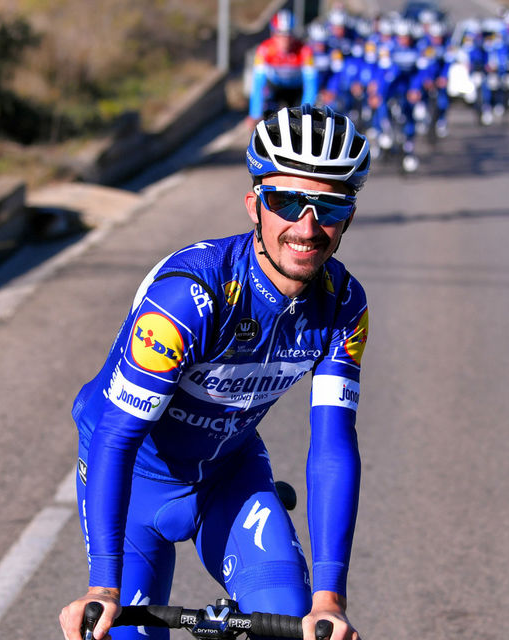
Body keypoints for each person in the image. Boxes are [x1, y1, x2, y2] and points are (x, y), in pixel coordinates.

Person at [59, 104, 371, 640]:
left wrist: (330, 598)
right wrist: (102, 589)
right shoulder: (190, 298)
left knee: (293, 625)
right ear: (254, 205)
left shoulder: (343, 304)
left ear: (349, 217)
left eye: (330, 206)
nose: (307, 226)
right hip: (136, 478)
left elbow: (333, 445)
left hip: (228, 474)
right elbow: (116, 435)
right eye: (287, 201)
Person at [247, 11, 318, 125]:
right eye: (280, 34)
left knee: (299, 122)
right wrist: (255, 114)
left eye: (288, 34)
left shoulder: (305, 51)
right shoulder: (264, 50)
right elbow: (258, 84)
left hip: (295, 90)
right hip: (275, 88)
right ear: (272, 33)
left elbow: (311, 85)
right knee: (266, 119)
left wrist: (306, 113)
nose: (284, 39)